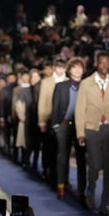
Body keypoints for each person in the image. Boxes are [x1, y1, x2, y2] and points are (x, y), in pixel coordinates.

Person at [75, 50, 109, 215]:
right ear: (96, 63)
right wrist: (80, 133)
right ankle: (90, 189)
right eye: (101, 62)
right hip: (92, 128)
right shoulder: (86, 83)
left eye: (107, 63)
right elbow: (80, 109)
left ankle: (104, 204)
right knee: (94, 165)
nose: (104, 66)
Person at [51, 57, 87, 205]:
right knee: (62, 157)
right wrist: (55, 125)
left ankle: (81, 189)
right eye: (74, 68)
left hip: (80, 126)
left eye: (80, 68)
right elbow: (55, 106)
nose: (77, 70)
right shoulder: (61, 86)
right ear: (69, 70)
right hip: (64, 125)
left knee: (81, 158)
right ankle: (61, 185)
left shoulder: (87, 86)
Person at [38, 58, 67, 187]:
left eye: (62, 67)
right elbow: (42, 102)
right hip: (50, 120)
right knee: (51, 148)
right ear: (54, 67)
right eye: (58, 67)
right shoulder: (46, 82)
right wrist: (41, 121)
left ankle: (62, 178)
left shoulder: (69, 81)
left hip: (66, 120)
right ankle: (50, 173)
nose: (60, 69)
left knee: (63, 151)